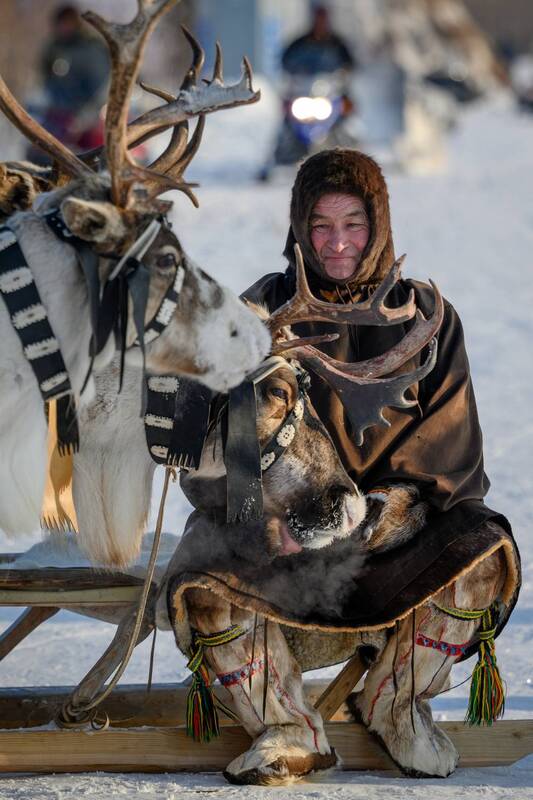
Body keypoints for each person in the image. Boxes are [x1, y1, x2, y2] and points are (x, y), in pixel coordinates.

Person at [166, 148, 520, 783]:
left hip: (394, 544)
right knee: (201, 578)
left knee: (483, 551)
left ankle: (394, 703)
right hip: (284, 549)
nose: (336, 243)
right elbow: (209, 453)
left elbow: (452, 451)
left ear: (379, 224)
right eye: (321, 225)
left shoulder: (428, 320)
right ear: (299, 226)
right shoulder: (256, 319)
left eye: (353, 223)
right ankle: (286, 725)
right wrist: (259, 515)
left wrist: (384, 514)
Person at [281, 4, 355, 76]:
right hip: (305, 85)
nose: (321, 23)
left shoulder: (337, 44)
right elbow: (286, 62)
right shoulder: (301, 43)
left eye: (323, 20)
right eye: (318, 20)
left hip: (330, 85)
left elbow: (349, 65)